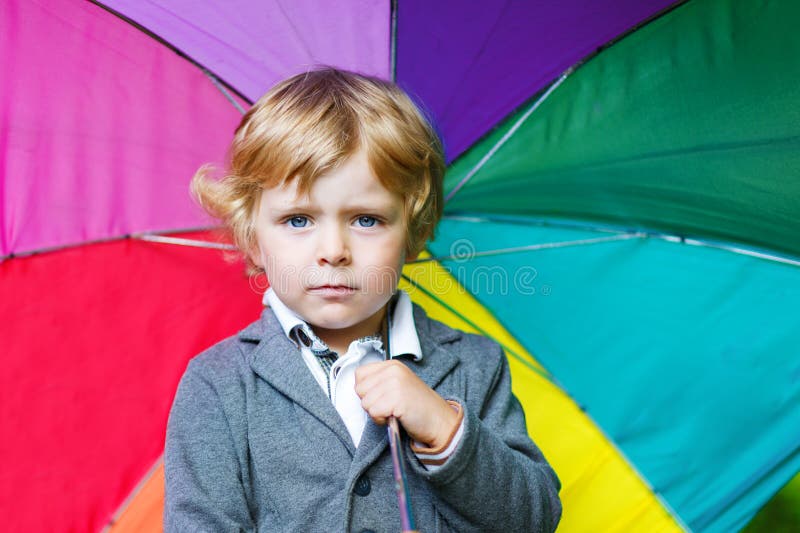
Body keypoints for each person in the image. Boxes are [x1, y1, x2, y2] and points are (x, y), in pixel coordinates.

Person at [164, 67, 561, 532]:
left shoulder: (475, 365)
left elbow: (534, 519)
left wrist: (445, 430)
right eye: (298, 220)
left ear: (412, 233)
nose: (333, 251)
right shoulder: (219, 385)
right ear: (252, 237)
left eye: (367, 220)